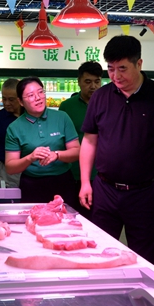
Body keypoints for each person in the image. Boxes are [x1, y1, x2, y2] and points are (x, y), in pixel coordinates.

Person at [79, 35, 154, 265]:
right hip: (105, 190)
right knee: (98, 254)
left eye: (122, 68)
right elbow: (89, 141)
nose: (116, 76)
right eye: (111, 69)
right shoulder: (100, 97)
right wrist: (86, 182)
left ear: (139, 64)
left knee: (144, 259)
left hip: (145, 192)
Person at [5, 77, 81, 210]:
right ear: (20, 102)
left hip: (62, 182)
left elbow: (77, 151)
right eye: (30, 95)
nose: (38, 98)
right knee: (34, 220)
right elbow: (10, 167)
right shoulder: (14, 127)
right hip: (32, 185)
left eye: (40, 92)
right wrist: (30, 157)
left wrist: (57, 155)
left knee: (64, 219)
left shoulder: (62, 117)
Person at [59, 61, 103, 209]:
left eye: (97, 81)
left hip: (102, 173)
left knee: (98, 216)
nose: (93, 86)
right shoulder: (67, 107)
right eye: (88, 82)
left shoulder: (108, 104)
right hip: (74, 172)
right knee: (74, 213)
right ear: (79, 82)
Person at [0, 78, 22, 188]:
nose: (6, 103)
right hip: (8, 170)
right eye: (4, 99)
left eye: (11, 99)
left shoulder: (31, 116)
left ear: (20, 98)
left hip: (33, 169)